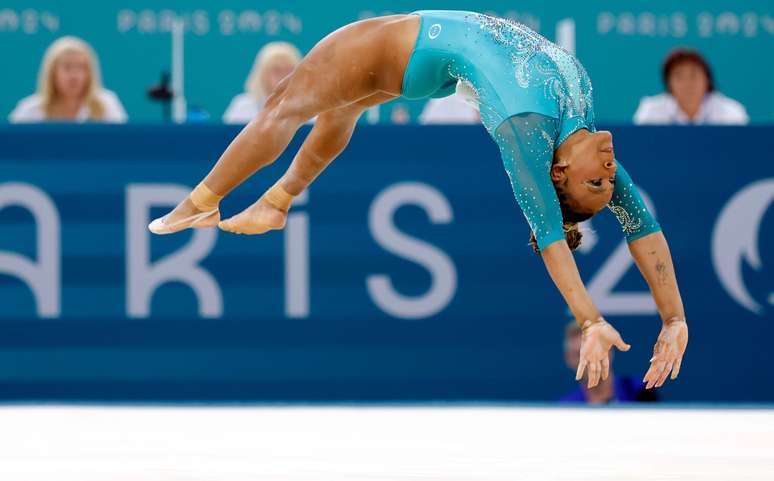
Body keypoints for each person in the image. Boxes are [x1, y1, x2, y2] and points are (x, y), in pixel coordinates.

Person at [148, 11, 688, 389]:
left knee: (284, 104)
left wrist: (590, 321)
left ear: (560, 173)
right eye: (606, 183)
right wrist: (673, 320)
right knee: (343, 107)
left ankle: (204, 199)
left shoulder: (529, 133)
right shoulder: (580, 130)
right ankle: (278, 199)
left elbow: (550, 238)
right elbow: (642, 227)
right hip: (422, 59)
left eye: (597, 185)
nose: (611, 174)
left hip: (407, 49)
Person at [9, 36, 127, 123]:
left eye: (81, 67)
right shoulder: (30, 110)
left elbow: (124, 144)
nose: (74, 75)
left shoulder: (107, 104)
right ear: (52, 73)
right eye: (67, 67)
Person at [633, 48, 748, 125]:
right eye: (679, 76)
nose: (687, 83)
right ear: (669, 83)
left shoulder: (731, 112)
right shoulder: (651, 111)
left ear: (707, 79)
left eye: (694, 75)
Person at [560, 322, 658, 404]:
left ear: (609, 351)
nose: (589, 360)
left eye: (594, 351)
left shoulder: (640, 392)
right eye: (579, 355)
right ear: (569, 359)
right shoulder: (566, 409)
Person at [222, 42, 302, 124]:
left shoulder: (306, 106)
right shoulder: (243, 106)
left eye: (289, 70)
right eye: (277, 70)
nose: (284, 76)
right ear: (263, 75)